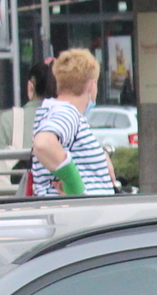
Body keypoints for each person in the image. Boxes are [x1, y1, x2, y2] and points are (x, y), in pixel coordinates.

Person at [30, 48, 114, 197]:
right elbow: (43, 143)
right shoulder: (67, 113)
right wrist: (75, 187)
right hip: (79, 215)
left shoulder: (52, 111)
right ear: (91, 85)